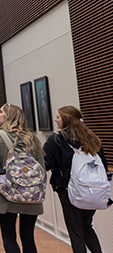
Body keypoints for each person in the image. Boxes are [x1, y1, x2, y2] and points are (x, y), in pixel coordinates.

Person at [43, 105, 108, 253]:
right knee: (86, 226)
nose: (55, 119)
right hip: (93, 190)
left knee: (75, 230)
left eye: (58, 117)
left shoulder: (56, 140)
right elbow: (102, 167)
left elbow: (47, 163)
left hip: (68, 190)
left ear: (66, 119)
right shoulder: (92, 138)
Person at [0, 104, 45, 253]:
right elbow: (42, 168)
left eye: (0, 112)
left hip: (6, 193)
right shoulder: (33, 139)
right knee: (28, 237)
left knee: (9, 236)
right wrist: (36, 190)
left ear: (8, 117)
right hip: (31, 194)